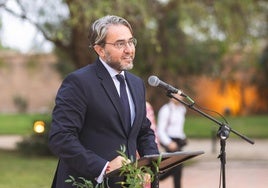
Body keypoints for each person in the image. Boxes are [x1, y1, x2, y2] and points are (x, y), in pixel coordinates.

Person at [48, 15, 159, 188]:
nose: (129, 49)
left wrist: (151, 163)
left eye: (131, 42)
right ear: (99, 49)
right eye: (120, 44)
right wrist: (104, 167)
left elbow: (143, 131)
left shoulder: (137, 84)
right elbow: (61, 138)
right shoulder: (79, 82)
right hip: (86, 183)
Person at [157, 94, 187, 188]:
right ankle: (158, 177)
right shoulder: (165, 110)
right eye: (176, 95)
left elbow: (179, 127)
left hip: (179, 141)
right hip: (170, 141)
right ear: (171, 96)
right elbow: (160, 129)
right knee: (175, 166)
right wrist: (168, 142)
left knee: (178, 168)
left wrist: (183, 137)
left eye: (180, 95)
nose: (179, 97)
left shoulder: (182, 109)